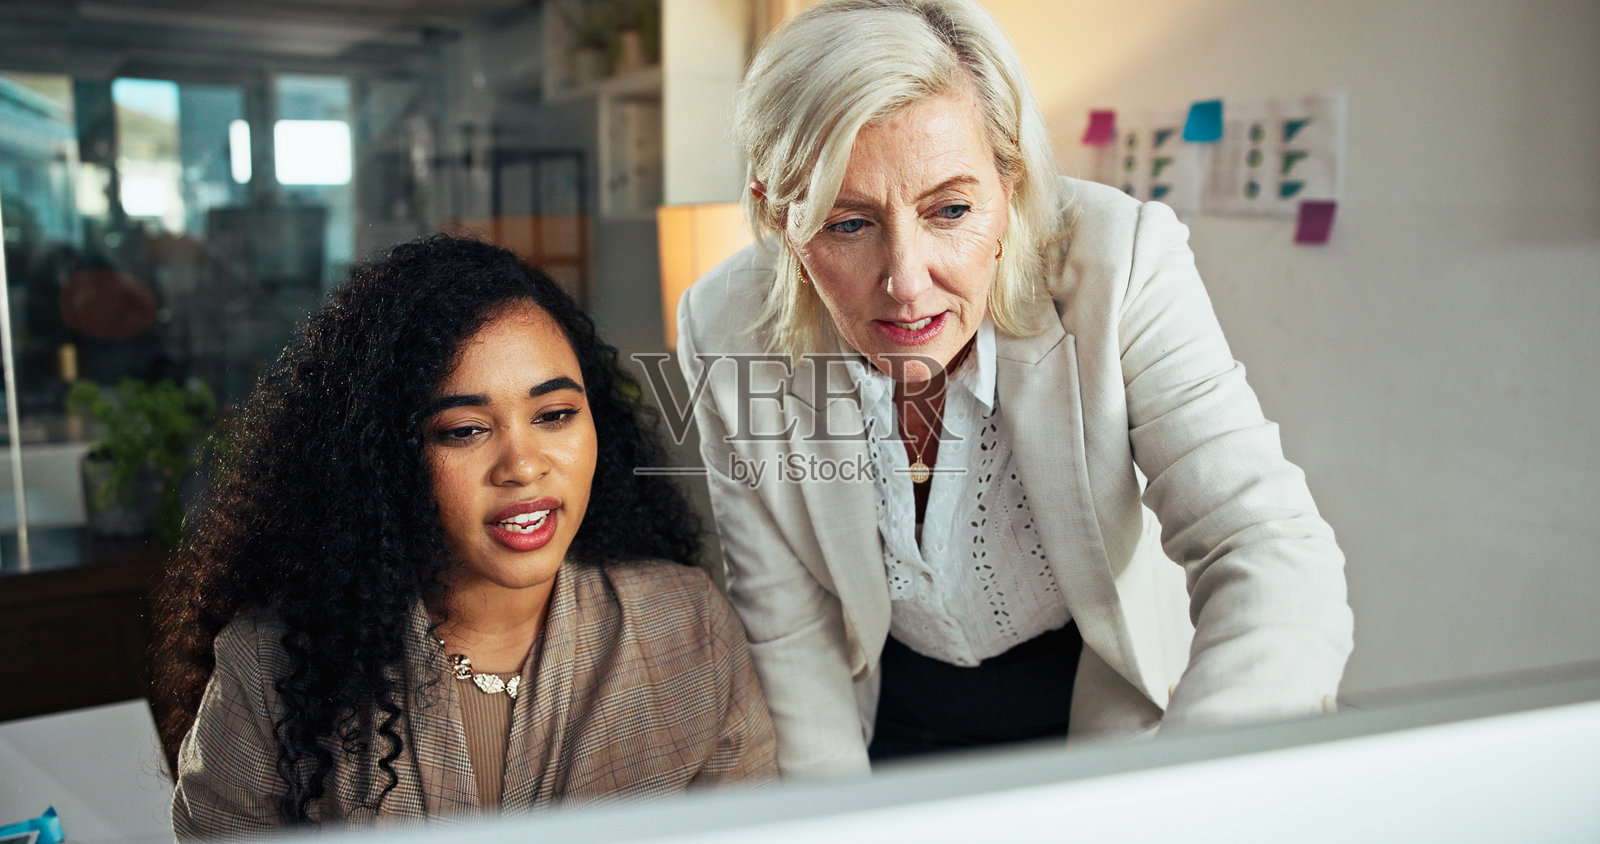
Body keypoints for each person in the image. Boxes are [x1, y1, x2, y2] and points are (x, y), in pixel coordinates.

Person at [676, 0, 1354, 777]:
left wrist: (1186, 795)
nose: (906, 282)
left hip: (1100, 704)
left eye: (951, 210)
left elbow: (1267, 550)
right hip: (882, 717)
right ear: (778, 217)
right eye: (846, 223)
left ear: (1013, 186)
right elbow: (788, 628)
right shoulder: (724, 324)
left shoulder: (1122, 262)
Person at [154, 235, 776, 835]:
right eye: (464, 430)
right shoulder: (273, 661)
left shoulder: (687, 628)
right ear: (384, 459)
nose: (524, 466)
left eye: (554, 415)